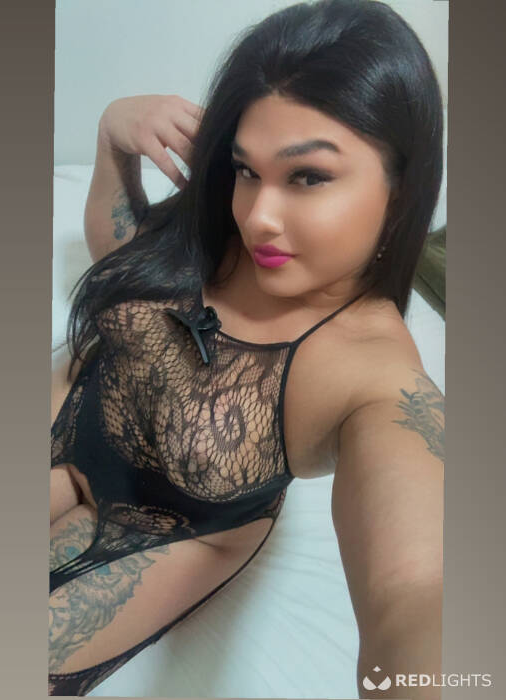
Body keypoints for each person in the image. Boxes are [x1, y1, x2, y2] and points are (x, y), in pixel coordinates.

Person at [49, 0, 445, 696]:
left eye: (308, 176)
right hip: (66, 420)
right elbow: (119, 255)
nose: (257, 216)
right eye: (245, 169)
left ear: (401, 186)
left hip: (166, 534)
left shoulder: (374, 379)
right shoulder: (217, 222)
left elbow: (416, 590)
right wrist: (113, 135)